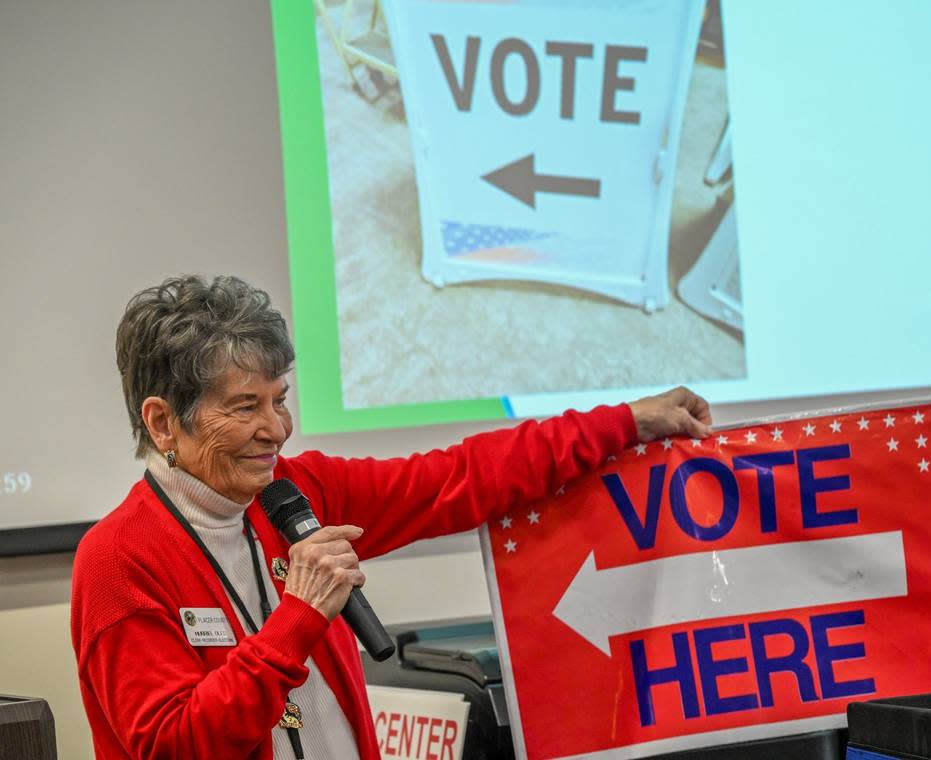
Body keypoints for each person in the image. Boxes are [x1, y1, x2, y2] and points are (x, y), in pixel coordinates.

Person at [71, 274, 713, 759]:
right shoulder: (118, 559)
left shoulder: (299, 489)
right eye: (244, 408)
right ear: (162, 422)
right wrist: (297, 619)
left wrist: (628, 421)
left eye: (279, 400)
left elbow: (466, 477)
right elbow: (172, 745)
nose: (277, 430)